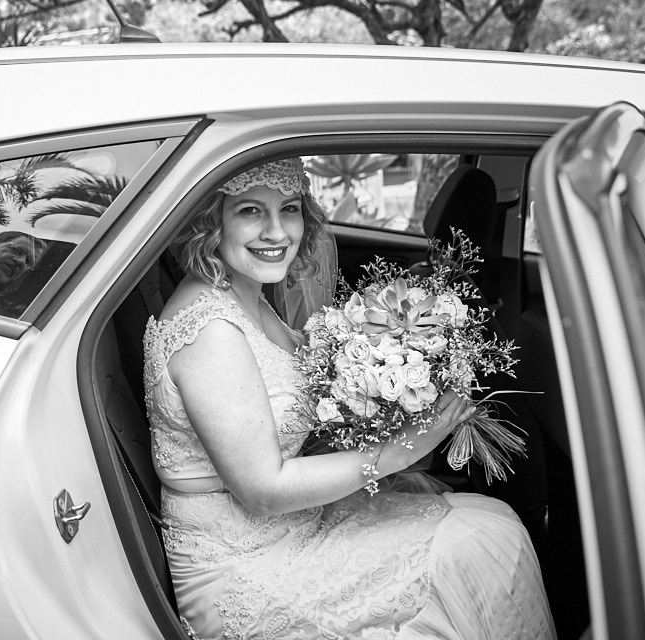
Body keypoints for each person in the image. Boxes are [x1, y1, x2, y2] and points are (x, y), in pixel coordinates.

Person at [143, 158, 556, 640]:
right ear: (211, 222)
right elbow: (262, 490)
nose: (277, 232)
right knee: (485, 540)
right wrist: (400, 449)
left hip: (289, 529)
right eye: (251, 211)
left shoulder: (246, 294)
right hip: (244, 563)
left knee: (485, 524)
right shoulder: (211, 331)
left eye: (290, 209)